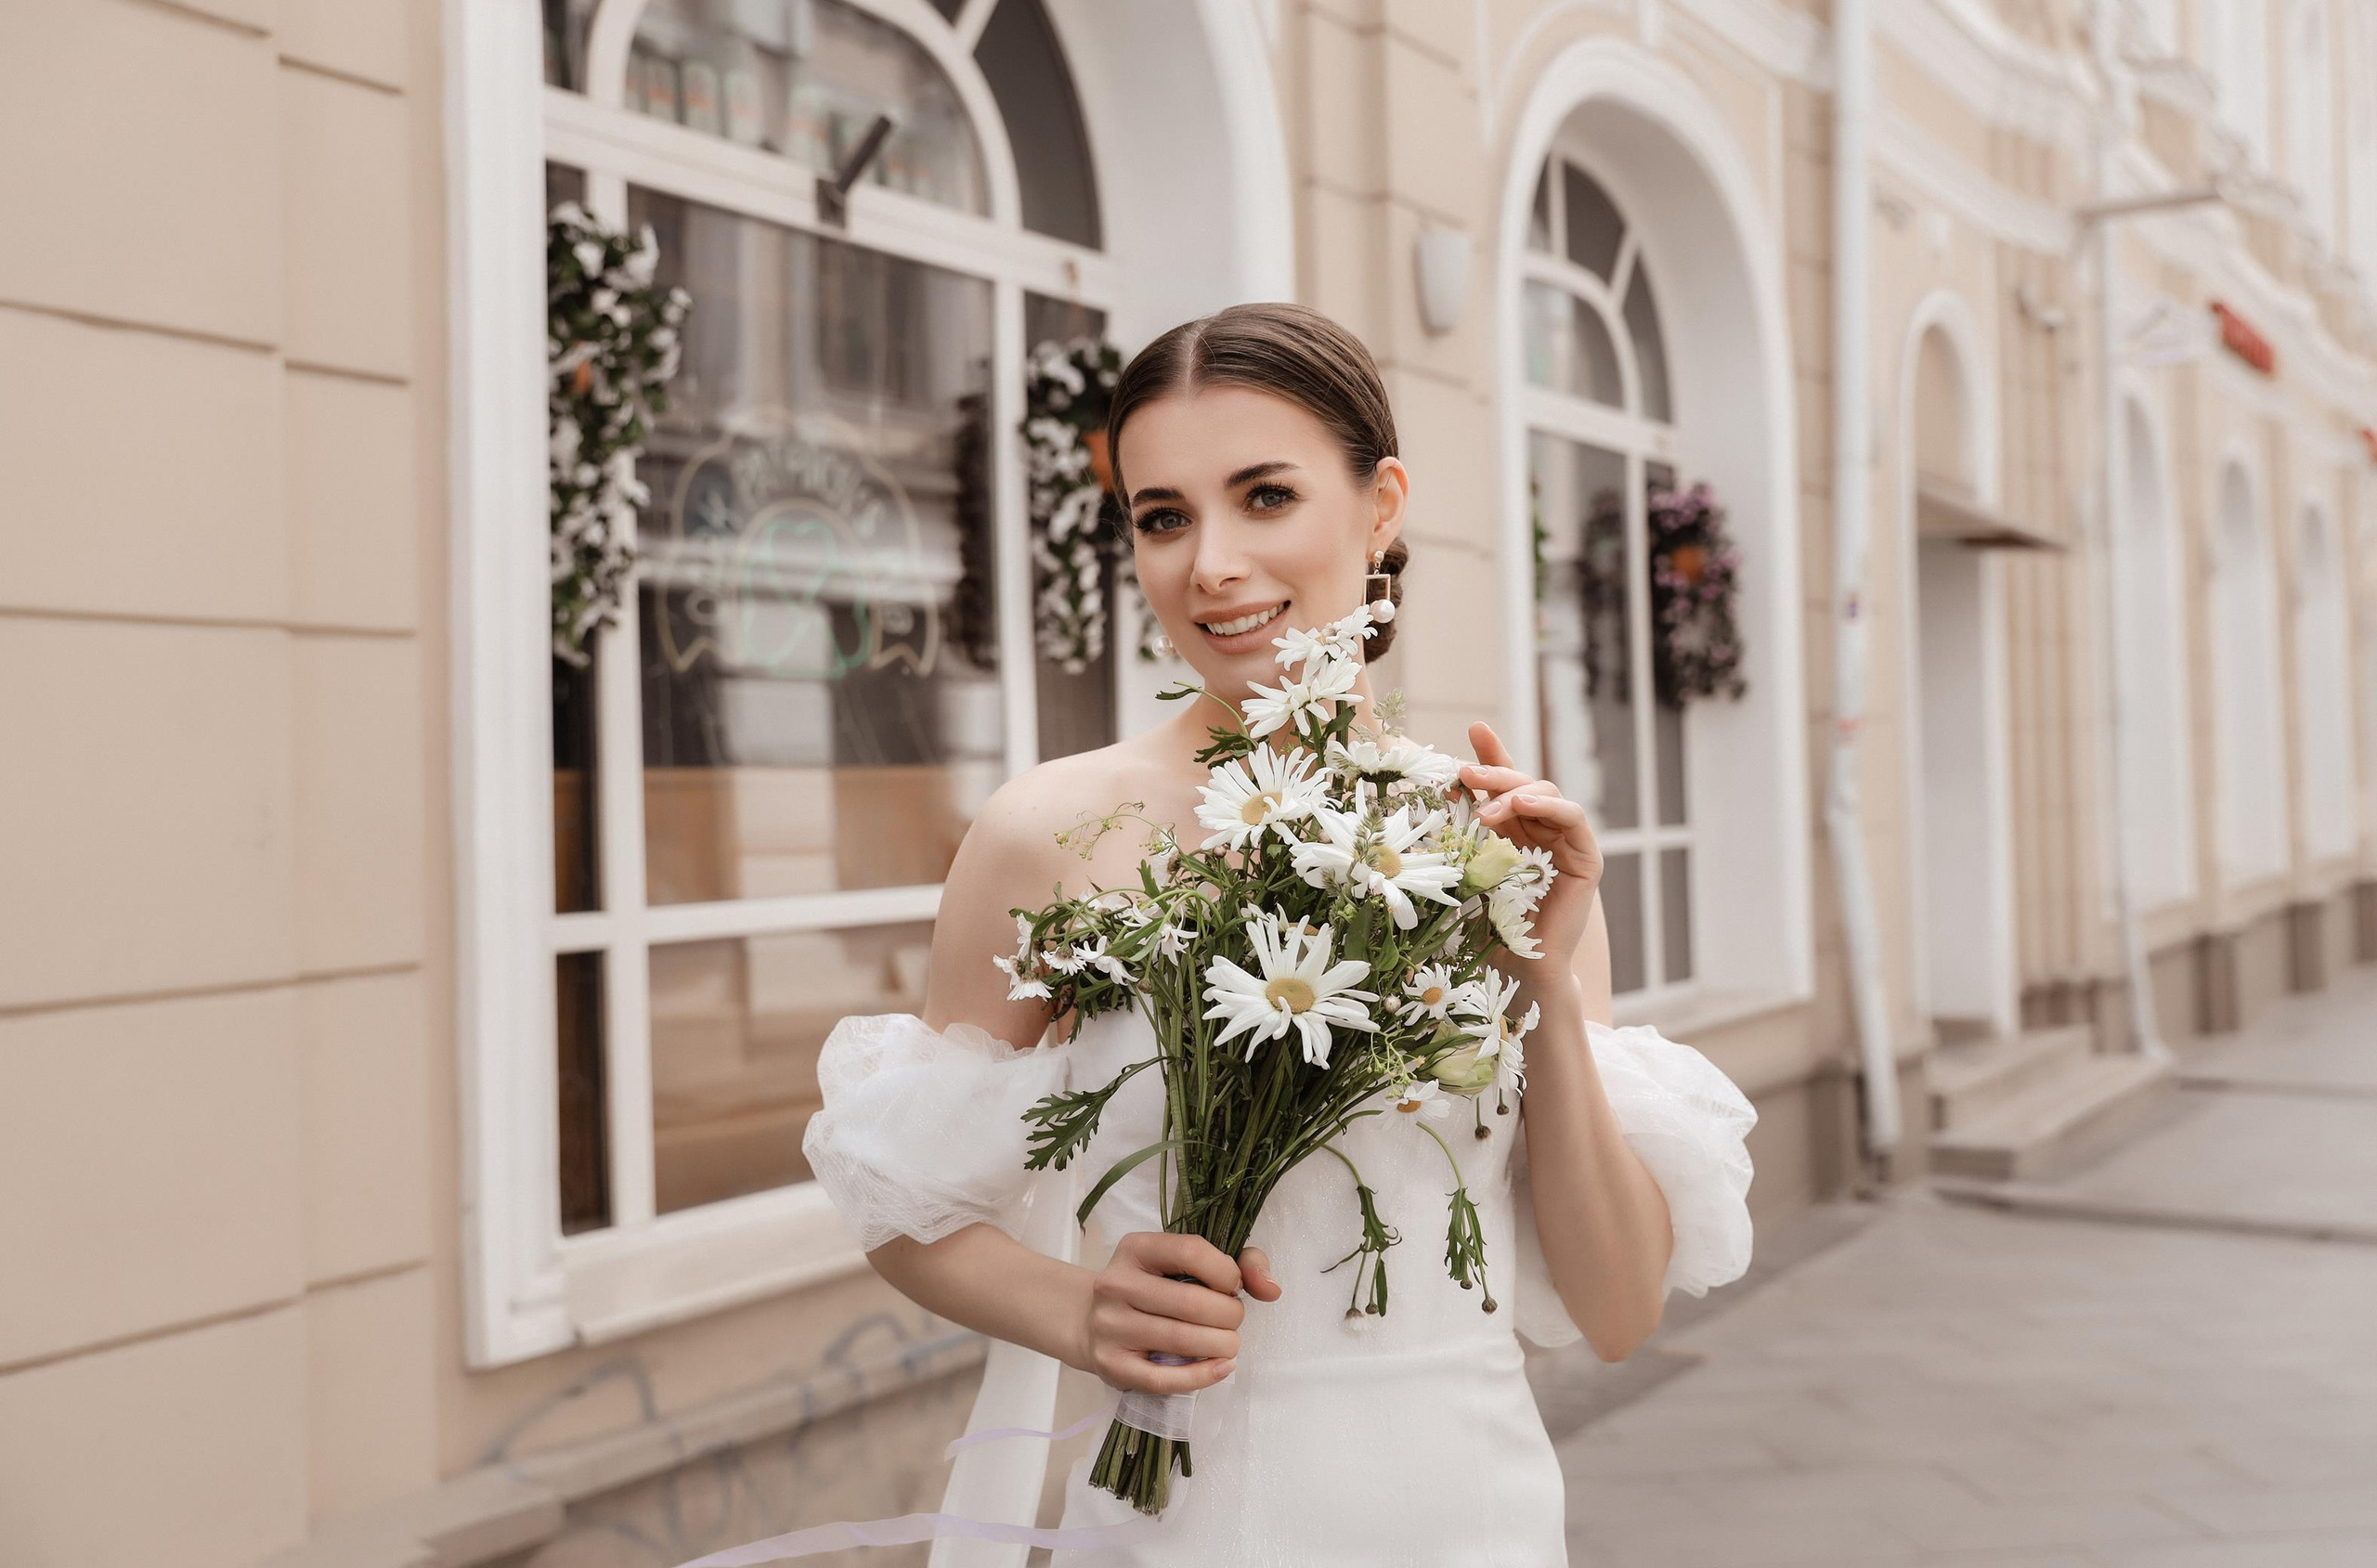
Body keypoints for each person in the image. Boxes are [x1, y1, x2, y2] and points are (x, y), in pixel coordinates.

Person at [799, 302, 1758, 1566]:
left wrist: (1542, 983)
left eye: (1265, 496)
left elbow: (1619, 1305)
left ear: (1381, 506)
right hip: (1181, 1519)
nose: (1211, 565)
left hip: (1467, 1512)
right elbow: (901, 1200)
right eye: (1164, 516)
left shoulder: (1497, 842)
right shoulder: (1049, 830)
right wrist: (1085, 1310)